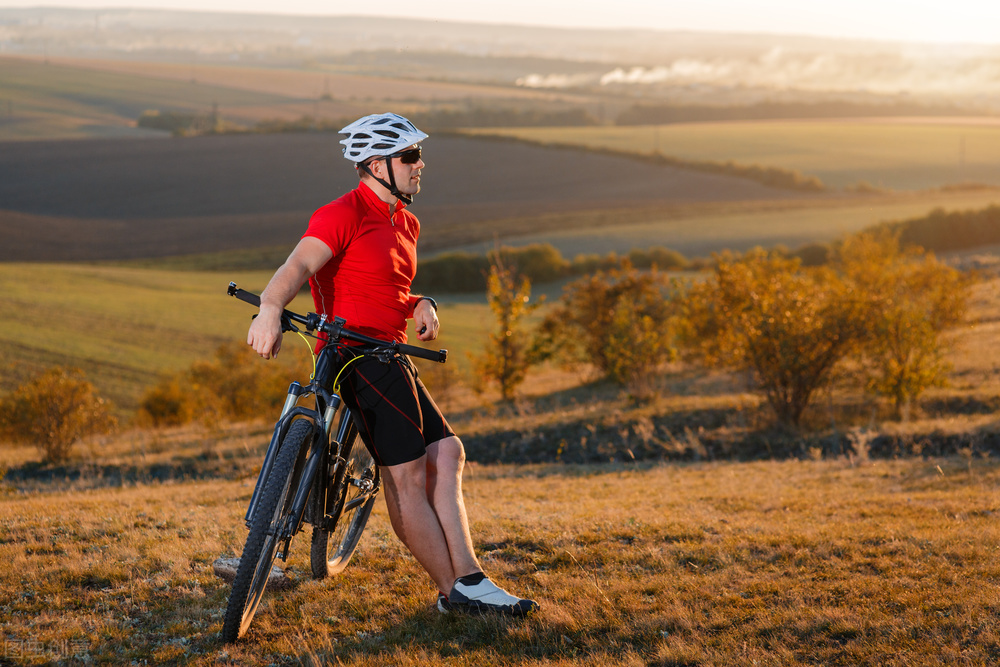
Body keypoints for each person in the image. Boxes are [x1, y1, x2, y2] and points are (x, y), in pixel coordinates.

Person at [246, 112, 538, 616]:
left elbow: (389, 288)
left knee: (447, 454)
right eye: (410, 157)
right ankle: (458, 591)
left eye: (419, 155)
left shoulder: (406, 220)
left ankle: (467, 578)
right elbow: (295, 266)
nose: (419, 165)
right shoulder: (343, 213)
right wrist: (270, 309)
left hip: (391, 352)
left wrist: (418, 302)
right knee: (405, 479)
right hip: (355, 355)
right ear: (377, 165)